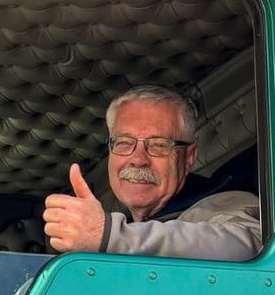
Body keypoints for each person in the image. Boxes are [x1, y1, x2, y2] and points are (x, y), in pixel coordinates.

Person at [41, 85, 262, 260]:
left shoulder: (223, 201)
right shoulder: (127, 233)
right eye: (124, 143)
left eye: (158, 145)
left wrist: (109, 235)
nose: (138, 159)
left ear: (189, 158)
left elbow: (246, 248)